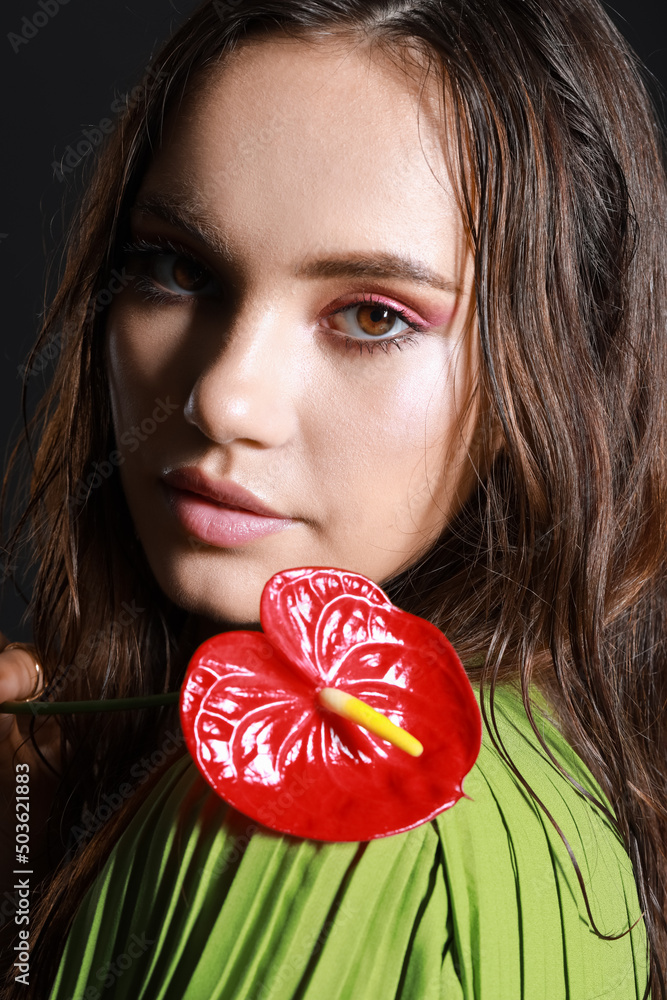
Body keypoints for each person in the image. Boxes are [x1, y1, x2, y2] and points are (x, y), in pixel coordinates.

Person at [0, 0, 665, 996]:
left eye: (369, 313)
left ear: (556, 366)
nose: (222, 395)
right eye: (177, 269)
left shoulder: (328, 822)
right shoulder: (548, 783)